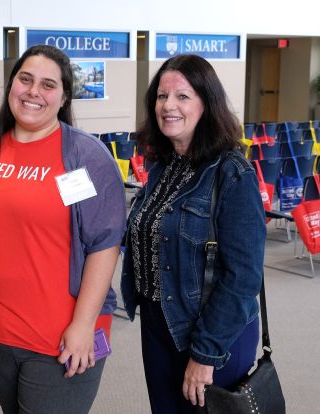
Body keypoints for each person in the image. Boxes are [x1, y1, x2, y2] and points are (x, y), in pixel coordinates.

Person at [0, 44, 126, 414]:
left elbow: (104, 244)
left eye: (48, 84)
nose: (33, 91)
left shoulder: (84, 157)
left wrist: (83, 325)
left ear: (64, 97)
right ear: (11, 85)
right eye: (25, 79)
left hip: (60, 335)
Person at [120, 54, 266, 414]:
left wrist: (206, 353)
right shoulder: (162, 166)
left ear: (207, 104)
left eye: (182, 96)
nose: (168, 105)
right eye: (161, 96)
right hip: (159, 322)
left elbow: (244, 277)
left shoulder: (232, 173)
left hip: (212, 332)